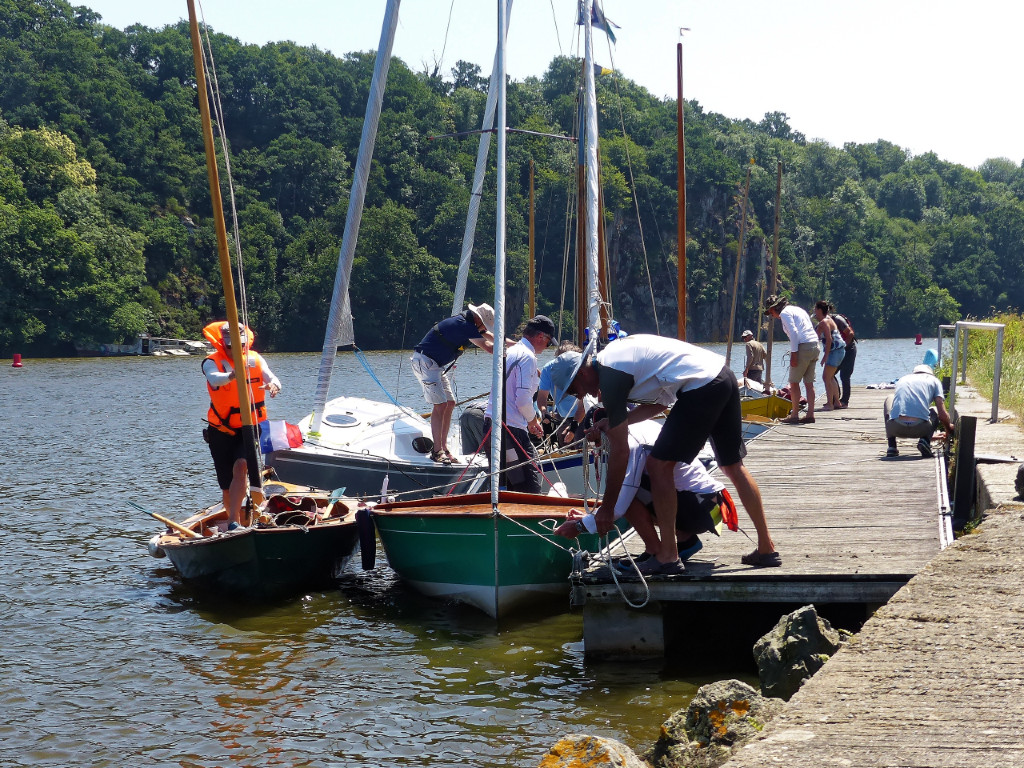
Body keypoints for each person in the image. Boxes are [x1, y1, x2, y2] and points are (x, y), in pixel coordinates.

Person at [550, 334, 780, 574]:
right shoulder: (616, 361)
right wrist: (613, 422)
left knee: (659, 465)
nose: (579, 396)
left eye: (574, 389)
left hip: (701, 387)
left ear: (582, 373)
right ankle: (766, 548)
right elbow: (661, 403)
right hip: (722, 376)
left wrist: (606, 510)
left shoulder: (610, 376)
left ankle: (668, 556)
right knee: (733, 466)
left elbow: (621, 451)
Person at [553, 418, 738, 570]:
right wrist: (592, 516)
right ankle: (685, 540)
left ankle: (655, 551)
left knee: (624, 491)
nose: (598, 448)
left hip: (700, 509)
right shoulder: (638, 426)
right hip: (707, 505)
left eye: (597, 442)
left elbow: (618, 505)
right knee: (631, 486)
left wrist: (579, 526)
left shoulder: (631, 442)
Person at [201, 321, 282, 529]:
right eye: (230, 345)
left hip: (249, 426)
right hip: (221, 430)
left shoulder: (255, 359)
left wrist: (273, 385)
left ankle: (232, 521)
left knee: (241, 466)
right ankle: (233, 521)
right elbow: (214, 379)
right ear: (222, 343)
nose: (235, 348)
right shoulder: (211, 362)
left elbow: (271, 377)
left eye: (239, 343)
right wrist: (232, 375)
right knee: (226, 486)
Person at [411, 303, 507, 465]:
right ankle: (437, 451)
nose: (485, 327)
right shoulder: (465, 325)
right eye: (485, 323)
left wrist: (519, 347)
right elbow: (489, 347)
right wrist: (507, 351)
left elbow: (496, 338)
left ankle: (444, 447)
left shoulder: (471, 324)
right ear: (478, 318)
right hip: (426, 362)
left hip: (435, 365)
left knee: (450, 403)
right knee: (440, 405)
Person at [481, 315, 557, 493]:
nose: (546, 347)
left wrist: (530, 420)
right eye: (547, 343)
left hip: (492, 426)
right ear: (540, 337)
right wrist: (532, 421)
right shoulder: (527, 357)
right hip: (510, 430)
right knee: (529, 490)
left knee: (506, 487)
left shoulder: (512, 351)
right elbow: (522, 400)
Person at [764, 294, 819, 425]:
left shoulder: (784, 313)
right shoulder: (798, 309)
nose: (771, 315)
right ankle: (810, 414)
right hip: (815, 345)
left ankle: (794, 415)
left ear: (774, 308)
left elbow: (794, 333)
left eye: (770, 312)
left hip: (803, 347)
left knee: (794, 382)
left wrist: (794, 354)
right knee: (809, 383)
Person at [884, 363, 954, 458]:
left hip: (896, 428)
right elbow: (942, 415)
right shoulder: (934, 381)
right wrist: (948, 429)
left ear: (914, 373)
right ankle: (925, 440)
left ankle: (892, 447)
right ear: (930, 374)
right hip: (920, 428)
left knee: (889, 398)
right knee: (934, 410)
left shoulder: (903, 379)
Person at [537, 340, 586, 445]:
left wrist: (573, 427)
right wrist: (544, 412)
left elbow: (584, 404)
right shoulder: (548, 369)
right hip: (562, 415)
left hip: (583, 413)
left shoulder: (582, 369)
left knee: (580, 445)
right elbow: (542, 397)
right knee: (564, 445)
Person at [813, 300, 846, 411]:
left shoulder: (824, 322)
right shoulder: (827, 320)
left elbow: (829, 339)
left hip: (835, 352)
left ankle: (829, 404)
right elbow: (817, 336)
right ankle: (836, 402)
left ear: (819, 309)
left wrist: (825, 356)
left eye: (815, 309)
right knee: (830, 377)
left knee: (826, 377)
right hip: (839, 351)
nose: (814, 311)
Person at [831, 308, 857, 407]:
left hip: (849, 350)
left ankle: (845, 401)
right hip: (838, 351)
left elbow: (850, 333)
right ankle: (835, 399)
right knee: (830, 374)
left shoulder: (837, 319)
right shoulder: (826, 322)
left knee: (845, 376)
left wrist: (844, 346)